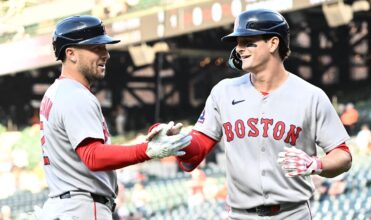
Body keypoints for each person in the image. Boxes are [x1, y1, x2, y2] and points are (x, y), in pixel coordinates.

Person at [159, 9, 352, 219]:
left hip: (292, 214)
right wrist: (179, 143)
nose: (239, 49)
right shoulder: (223, 92)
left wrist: (316, 164)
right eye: (237, 43)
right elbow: (197, 150)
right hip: (240, 215)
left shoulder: (311, 96)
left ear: (273, 43)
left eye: (248, 42)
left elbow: (343, 155)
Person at [37, 15, 191, 220]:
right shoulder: (75, 95)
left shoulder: (55, 92)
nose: (106, 55)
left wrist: (144, 142)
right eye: (96, 48)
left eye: (104, 47)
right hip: (82, 207)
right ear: (71, 53)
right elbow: (92, 156)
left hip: (65, 205)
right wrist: (147, 150)